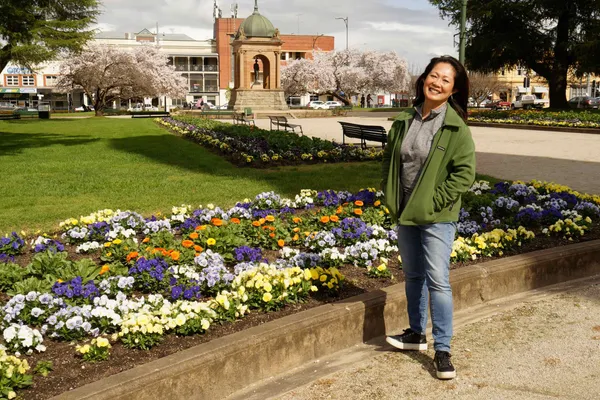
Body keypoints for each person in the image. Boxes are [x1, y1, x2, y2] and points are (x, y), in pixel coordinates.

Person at [381, 55, 475, 380]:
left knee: (438, 282)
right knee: (413, 276)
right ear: (424, 79)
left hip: (437, 216)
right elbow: (391, 160)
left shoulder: (455, 127)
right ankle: (416, 334)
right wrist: (389, 190)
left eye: (445, 80)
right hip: (406, 211)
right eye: (434, 76)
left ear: (453, 90)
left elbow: (464, 175)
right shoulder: (405, 119)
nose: (437, 82)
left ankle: (443, 349)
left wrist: (434, 202)